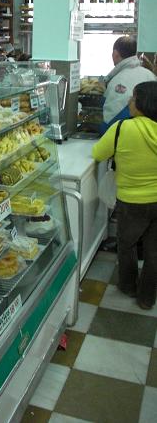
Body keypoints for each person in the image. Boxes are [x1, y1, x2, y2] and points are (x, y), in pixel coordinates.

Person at [92, 81, 157, 309]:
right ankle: (147, 298)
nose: (129, 101)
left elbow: (98, 153)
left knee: (127, 244)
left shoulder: (122, 128)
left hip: (131, 201)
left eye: (132, 98)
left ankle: (128, 286)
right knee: (154, 252)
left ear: (141, 104)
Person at [100, 36, 155, 133]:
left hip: (127, 135)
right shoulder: (150, 75)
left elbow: (109, 123)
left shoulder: (117, 81)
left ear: (115, 54)